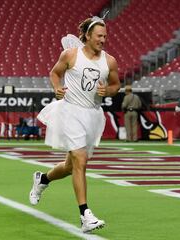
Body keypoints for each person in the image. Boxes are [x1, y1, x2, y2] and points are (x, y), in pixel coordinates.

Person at [30, 15, 120, 233]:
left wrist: (106, 90)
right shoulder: (71, 55)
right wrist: (57, 88)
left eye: (105, 36)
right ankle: (85, 215)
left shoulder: (109, 61)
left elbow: (116, 85)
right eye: (99, 36)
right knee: (80, 160)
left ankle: (43, 179)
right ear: (88, 36)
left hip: (92, 116)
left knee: (71, 166)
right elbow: (54, 73)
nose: (103, 40)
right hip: (70, 111)